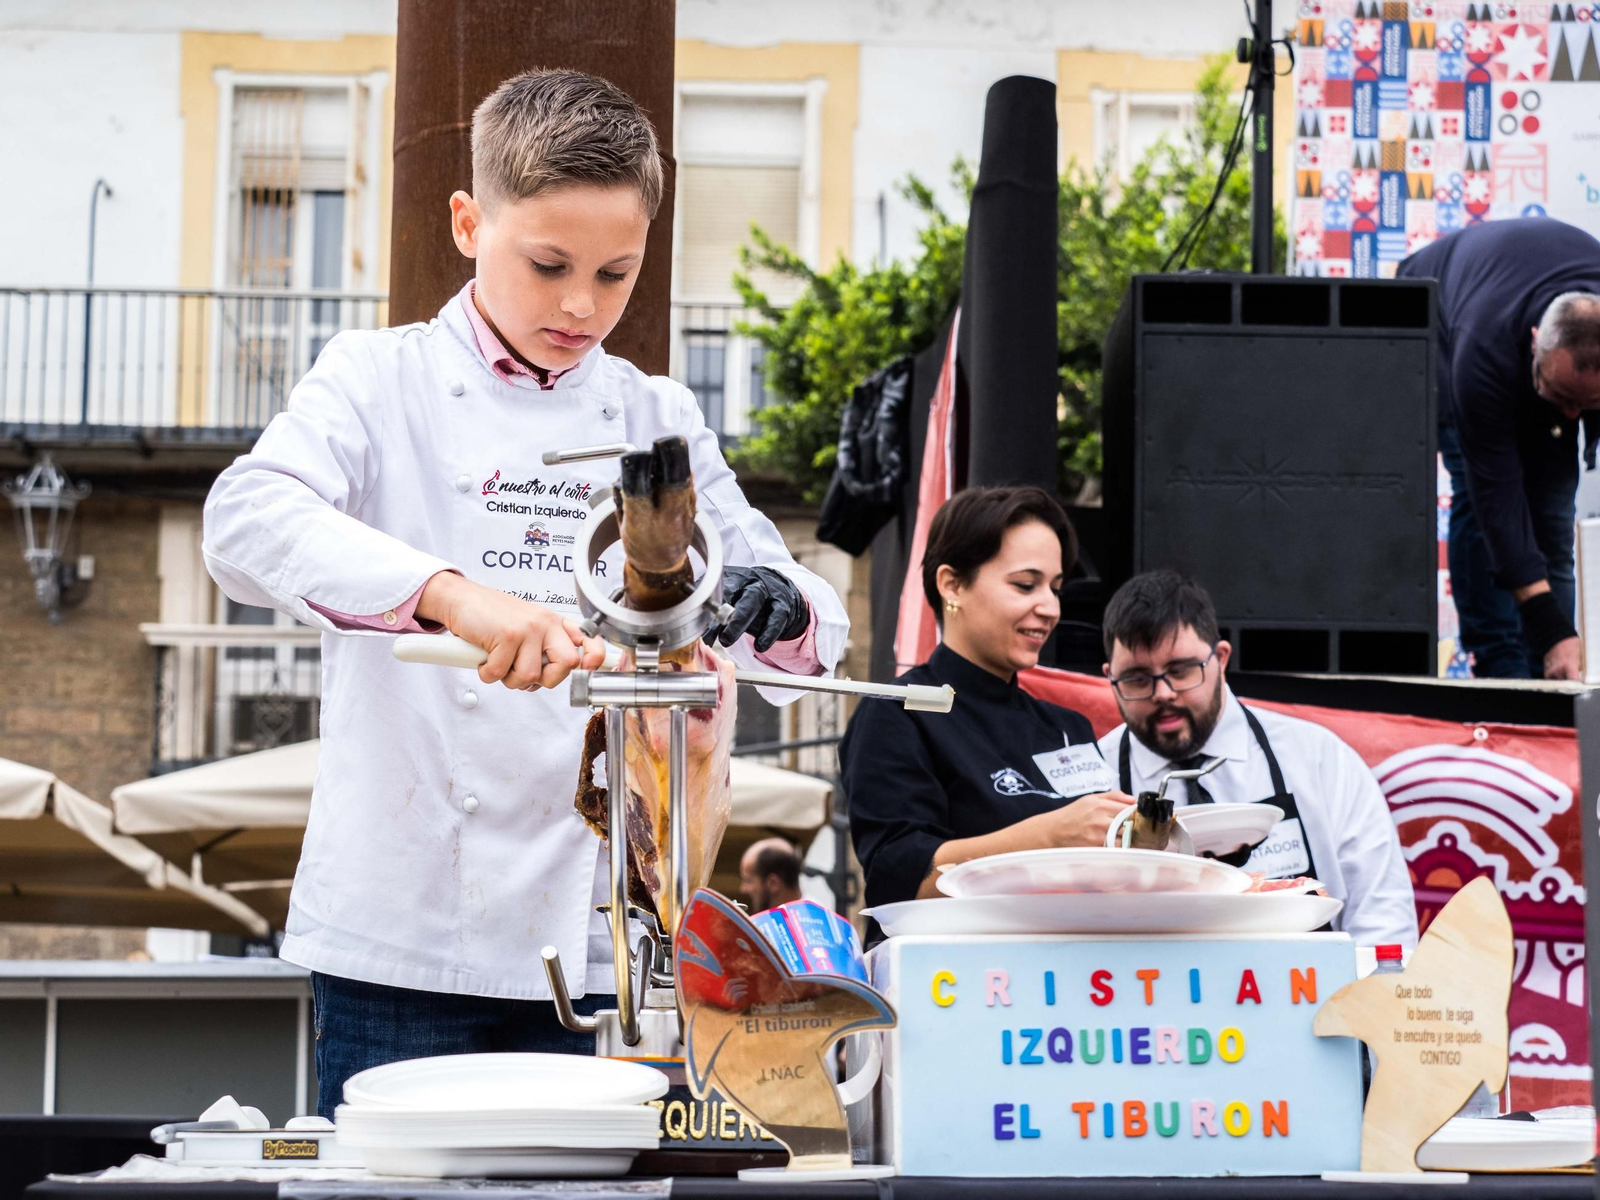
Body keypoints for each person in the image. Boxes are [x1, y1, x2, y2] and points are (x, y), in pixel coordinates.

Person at [202, 69, 848, 1115]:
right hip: (404, 943)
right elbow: (244, 519)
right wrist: (448, 595)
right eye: (548, 265)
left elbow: (802, 635)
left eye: (616, 273)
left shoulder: (657, 413)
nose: (581, 305)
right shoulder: (378, 377)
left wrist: (778, 598)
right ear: (469, 223)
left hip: (603, 946)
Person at [842, 487, 1134, 908]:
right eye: (1025, 585)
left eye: (1055, 588)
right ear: (952, 585)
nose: (1050, 607)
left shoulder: (1068, 726)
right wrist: (1049, 836)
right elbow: (900, 878)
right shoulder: (898, 712)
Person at [1097, 570, 1417, 948]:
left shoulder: (1318, 759)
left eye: (1181, 671)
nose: (1163, 693)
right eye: (1137, 679)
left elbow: (1383, 917)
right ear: (1110, 678)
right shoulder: (1097, 777)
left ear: (1221, 659)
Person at [1397, 218, 1600, 679]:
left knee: (1552, 513)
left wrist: (1566, 401)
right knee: (1480, 502)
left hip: (1516, 310)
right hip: (1440, 315)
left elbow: (1549, 525)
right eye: (1562, 398)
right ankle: (1499, 658)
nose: (1572, 415)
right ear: (1536, 342)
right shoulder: (1480, 352)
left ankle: (1553, 667)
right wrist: (1550, 627)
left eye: (1587, 404)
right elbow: (1497, 499)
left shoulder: (1566, 379)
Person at [738, 837, 804, 913]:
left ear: (773, 883)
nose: (743, 889)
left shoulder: (812, 917)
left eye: (748, 881)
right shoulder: (812, 912)